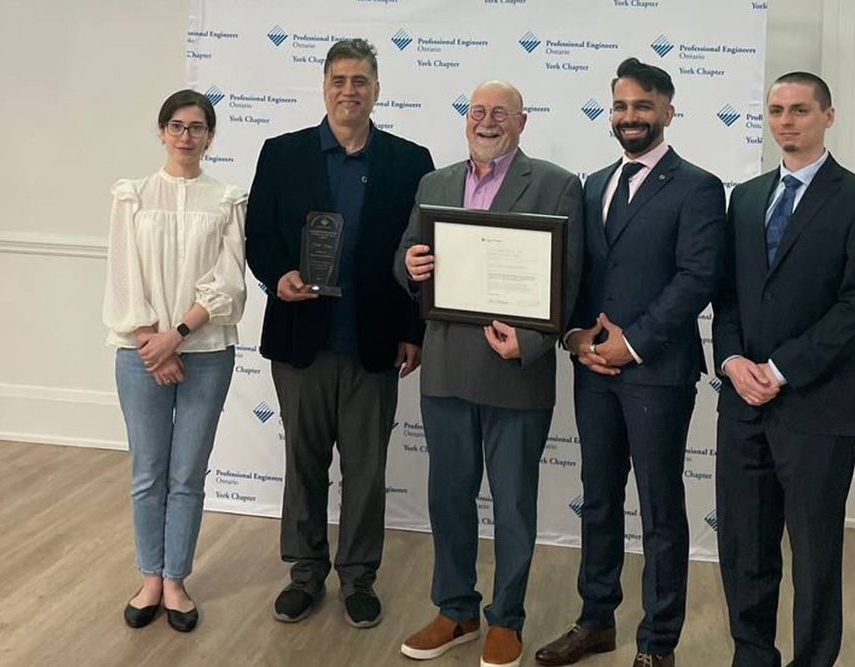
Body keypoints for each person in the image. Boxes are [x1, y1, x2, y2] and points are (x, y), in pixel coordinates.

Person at [535, 58, 725, 667]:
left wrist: (632, 342)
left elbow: (697, 278)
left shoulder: (698, 186)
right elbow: (580, 273)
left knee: (661, 509)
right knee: (598, 499)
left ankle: (657, 643)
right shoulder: (592, 184)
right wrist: (572, 336)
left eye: (642, 106)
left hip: (657, 373)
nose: (629, 117)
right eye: (620, 106)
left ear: (668, 110)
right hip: (592, 371)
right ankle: (595, 622)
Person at [245, 38, 433, 629]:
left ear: (377, 89)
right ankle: (304, 573)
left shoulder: (410, 160)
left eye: (361, 81)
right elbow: (260, 237)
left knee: (366, 468)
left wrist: (413, 330)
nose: (349, 90)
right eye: (339, 79)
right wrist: (280, 276)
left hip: (373, 342)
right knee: (302, 463)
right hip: (301, 340)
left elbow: (420, 254)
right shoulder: (282, 153)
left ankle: (358, 579)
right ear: (323, 86)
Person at [397, 80, 583, 667]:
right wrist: (409, 263)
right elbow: (405, 256)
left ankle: (507, 617)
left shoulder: (557, 184)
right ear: (465, 120)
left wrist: (528, 342)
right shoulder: (434, 183)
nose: (487, 121)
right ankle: (455, 610)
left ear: (522, 122)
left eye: (500, 113)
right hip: (447, 368)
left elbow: (569, 278)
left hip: (515, 372)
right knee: (448, 497)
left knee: (513, 503)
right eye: (477, 111)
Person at [712, 71, 855, 667]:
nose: (786, 121)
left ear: (827, 117)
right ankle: (752, 655)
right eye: (776, 110)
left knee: (814, 553)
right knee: (745, 546)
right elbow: (731, 294)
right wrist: (734, 360)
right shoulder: (746, 197)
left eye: (799, 110)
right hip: (743, 402)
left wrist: (782, 368)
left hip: (820, 403)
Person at [103, 89, 247, 633]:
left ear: (210, 136)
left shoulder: (227, 200)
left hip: (206, 354)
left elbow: (228, 284)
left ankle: (176, 580)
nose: (186, 135)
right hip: (139, 354)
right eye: (176, 125)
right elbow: (123, 277)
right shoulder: (131, 196)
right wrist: (152, 342)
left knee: (187, 473)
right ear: (161, 132)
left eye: (197, 126)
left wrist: (177, 335)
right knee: (148, 473)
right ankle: (149, 578)